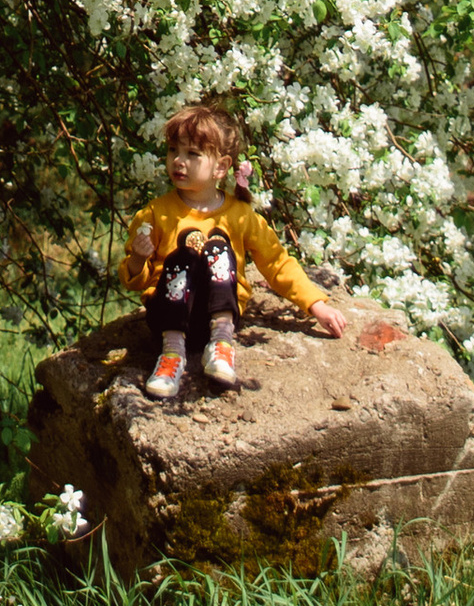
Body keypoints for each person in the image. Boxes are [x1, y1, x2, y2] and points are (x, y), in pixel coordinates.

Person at [119, 102, 351, 401]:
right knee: (184, 256)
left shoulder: (240, 215)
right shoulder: (156, 214)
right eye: (173, 150)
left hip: (216, 316)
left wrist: (317, 305)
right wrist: (138, 258)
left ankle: (221, 346)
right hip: (168, 317)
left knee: (218, 249)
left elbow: (277, 263)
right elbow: (133, 279)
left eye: (192, 154)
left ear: (221, 166)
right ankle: (171, 356)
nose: (179, 161)